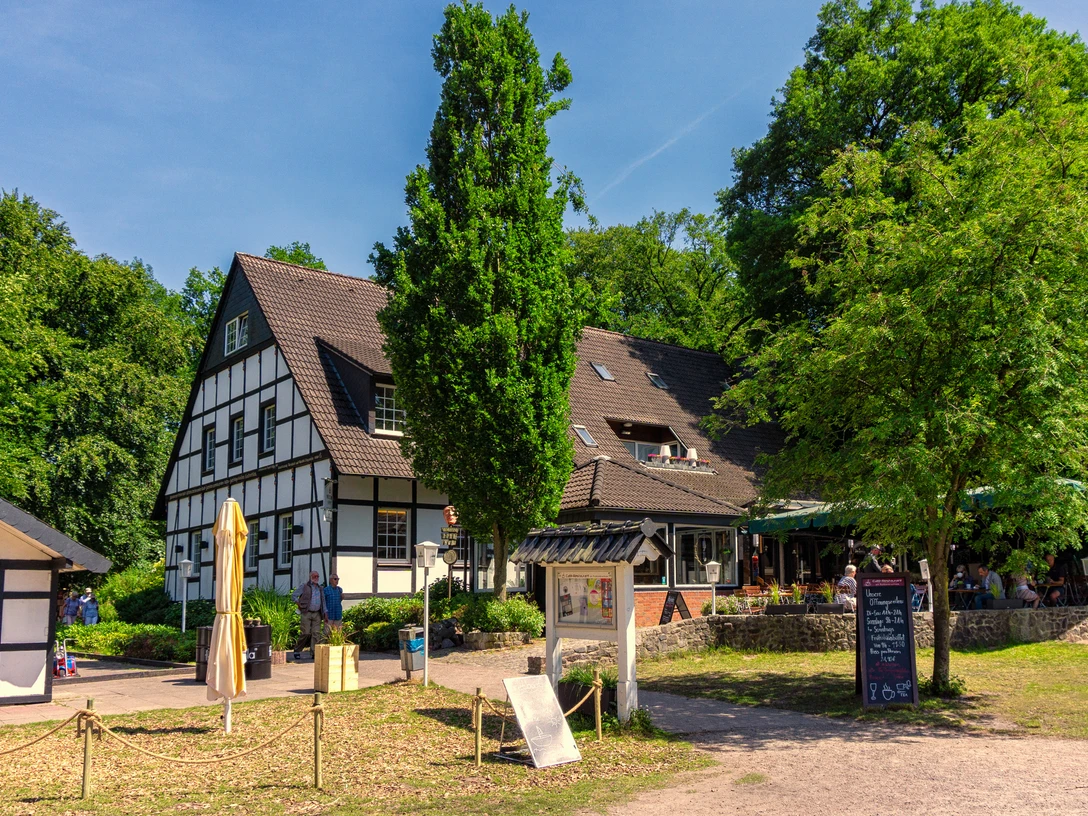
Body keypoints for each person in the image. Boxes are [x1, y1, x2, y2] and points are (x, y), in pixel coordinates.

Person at [291, 570, 328, 660]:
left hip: (317, 613)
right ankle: (297, 649)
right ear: (310, 577)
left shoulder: (320, 588)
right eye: (314, 576)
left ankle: (314, 652)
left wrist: (325, 613)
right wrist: (299, 604)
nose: (316, 578)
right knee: (305, 632)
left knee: (316, 633)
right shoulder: (304, 586)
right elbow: (294, 596)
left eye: (317, 576)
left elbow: (323, 602)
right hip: (306, 612)